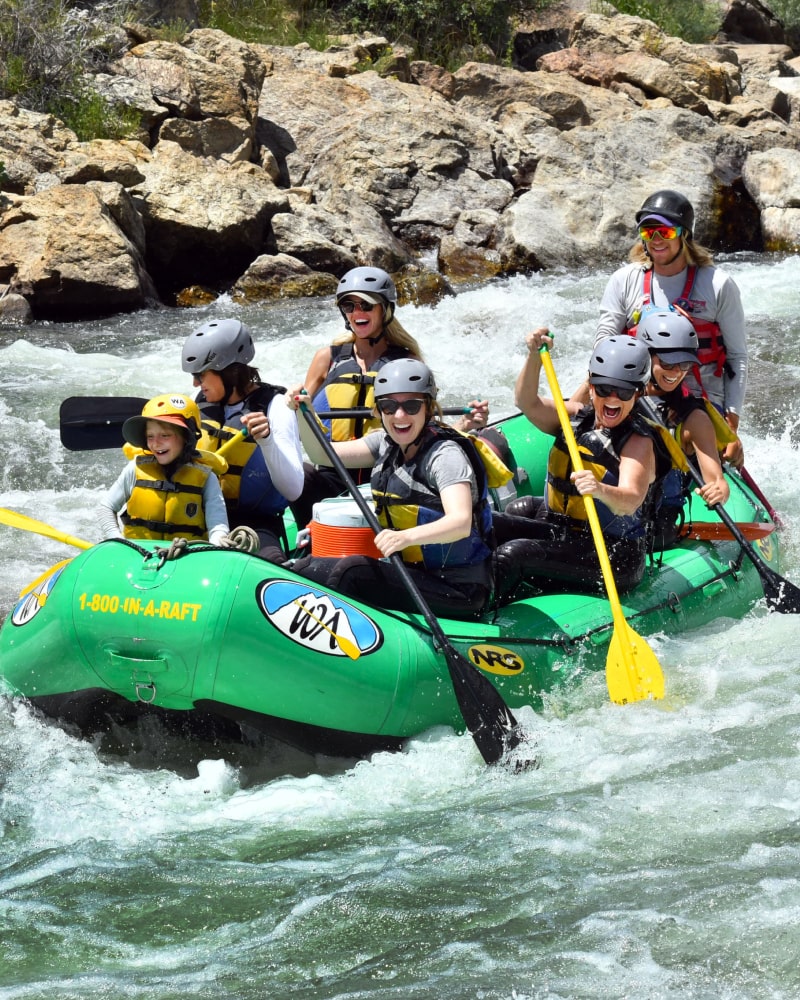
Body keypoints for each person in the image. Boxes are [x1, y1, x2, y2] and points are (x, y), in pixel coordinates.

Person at [291, 358, 498, 619]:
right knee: (308, 565)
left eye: (411, 405)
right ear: (379, 410)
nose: (399, 416)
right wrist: (304, 413)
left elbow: (460, 522)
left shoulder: (444, 456)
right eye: (389, 406)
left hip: (459, 588)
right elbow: (323, 455)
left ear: (428, 408)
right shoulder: (384, 443)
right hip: (412, 573)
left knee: (351, 572)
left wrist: (404, 538)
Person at [286, 265, 490, 527]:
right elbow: (299, 416)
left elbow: (423, 421)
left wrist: (464, 425)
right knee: (299, 475)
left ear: (385, 309)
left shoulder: (406, 361)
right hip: (333, 467)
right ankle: (310, 538)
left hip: (384, 468)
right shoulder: (327, 358)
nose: (357, 313)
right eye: (349, 306)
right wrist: (292, 403)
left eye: (366, 305)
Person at [492, 331, 664, 602]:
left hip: (612, 555)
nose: (612, 399)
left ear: (639, 393)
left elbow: (629, 501)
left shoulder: (637, 442)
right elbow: (527, 402)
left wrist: (599, 489)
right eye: (604, 388)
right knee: (485, 523)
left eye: (624, 391)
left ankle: (481, 620)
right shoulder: (572, 417)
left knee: (514, 555)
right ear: (592, 386)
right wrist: (534, 357)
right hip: (563, 533)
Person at [595, 189, 746, 467]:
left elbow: (736, 357)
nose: (655, 241)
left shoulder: (718, 285)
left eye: (665, 232)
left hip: (701, 404)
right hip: (640, 396)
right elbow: (603, 344)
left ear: (684, 235)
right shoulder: (624, 281)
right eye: (648, 232)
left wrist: (731, 424)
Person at [181, 317, 304, 563]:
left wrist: (266, 441)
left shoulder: (275, 406)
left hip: (252, 525)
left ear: (230, 371)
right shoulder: (199, 403)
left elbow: (293, 489)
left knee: (272, 565)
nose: (195, 383)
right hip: (199, 518)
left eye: (201, 375)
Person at [638, 309, 730, 549]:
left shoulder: (693, 419)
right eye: (668, 362)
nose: (677, 372)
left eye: (685, 364)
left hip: (655, 526)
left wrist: (718, 491)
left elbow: (717, 480)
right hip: (612, 509)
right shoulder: (620, 396)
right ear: (646, 356)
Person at [97, 393, 229, 545]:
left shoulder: (206, 478)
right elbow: (106, 507)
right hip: (139, 555)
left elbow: (218, 526)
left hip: (186, 556)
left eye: (165, 435)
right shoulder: (135, 468)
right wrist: (117, 539)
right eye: (150, 436)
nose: (156, 444)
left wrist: (218, 542)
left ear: (187, 437)